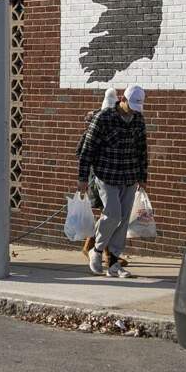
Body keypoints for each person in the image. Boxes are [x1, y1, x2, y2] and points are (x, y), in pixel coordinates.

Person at [76, 84, 148, 278]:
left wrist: (143, 175)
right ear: (122, 99)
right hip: (106, 174)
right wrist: (82, 178)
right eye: (130, 105)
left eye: (136, 107)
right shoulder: (104, 118)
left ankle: (114, 262)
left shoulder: (138, 120)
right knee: (112, 214)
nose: (133, 110)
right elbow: (87, 149)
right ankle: (97, 250)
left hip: (130, 175)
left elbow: (142, 148)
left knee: (124, 219)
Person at [78, 87, 120, 262]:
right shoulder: (97, 124)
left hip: (108, 176)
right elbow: (85, 153)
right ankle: (108, 254)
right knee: (110, 215)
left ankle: (91, 247)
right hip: (99, 177)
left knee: (108, 215)